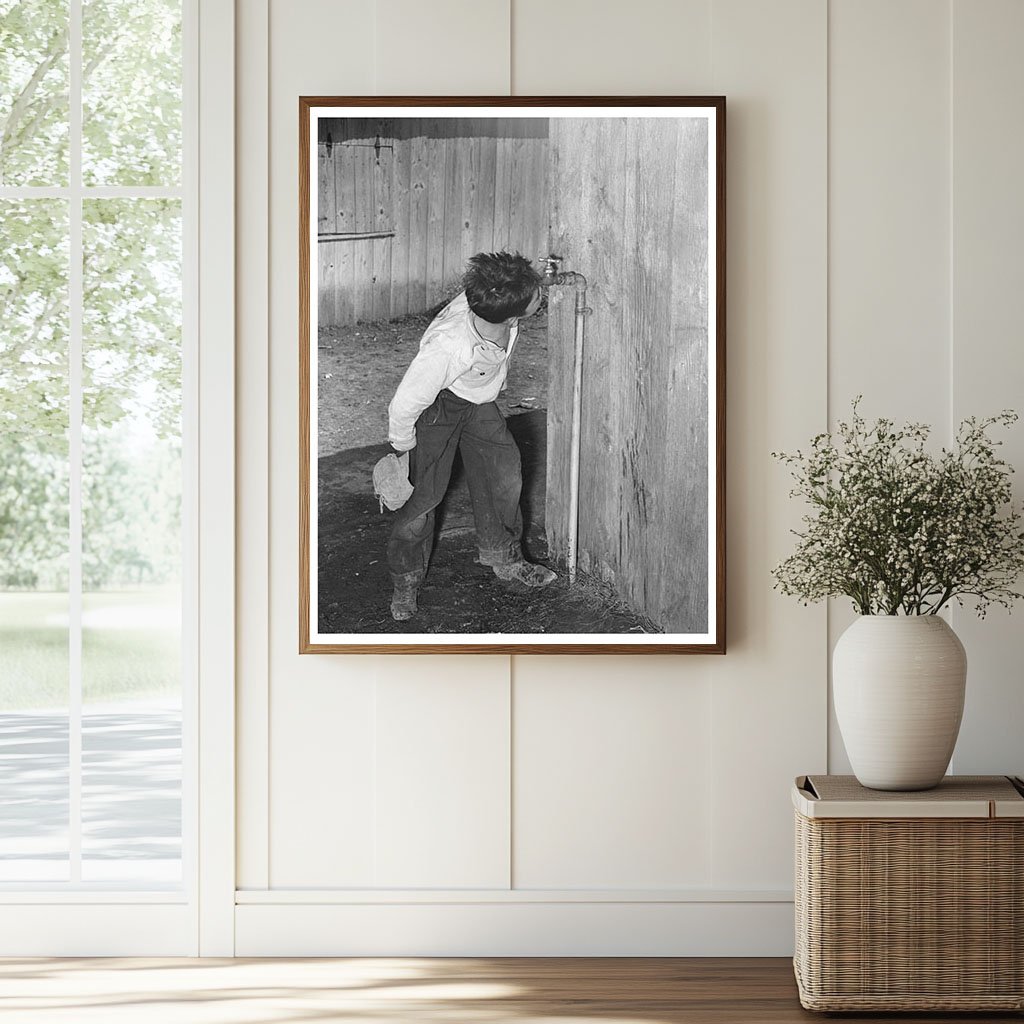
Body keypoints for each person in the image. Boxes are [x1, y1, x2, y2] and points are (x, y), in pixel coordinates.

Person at [385, 251, 557, 621]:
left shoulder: (491, 299)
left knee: (505, 473)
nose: (540, 295)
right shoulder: (449, 346)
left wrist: (533, 275)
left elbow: (505, 282)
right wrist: (402, 449)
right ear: (512, 316)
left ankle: (504, 557)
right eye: (536, 295)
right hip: (438, 407)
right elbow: (405, 402)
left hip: (478, 401)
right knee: (423, 495)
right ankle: (406, 578)